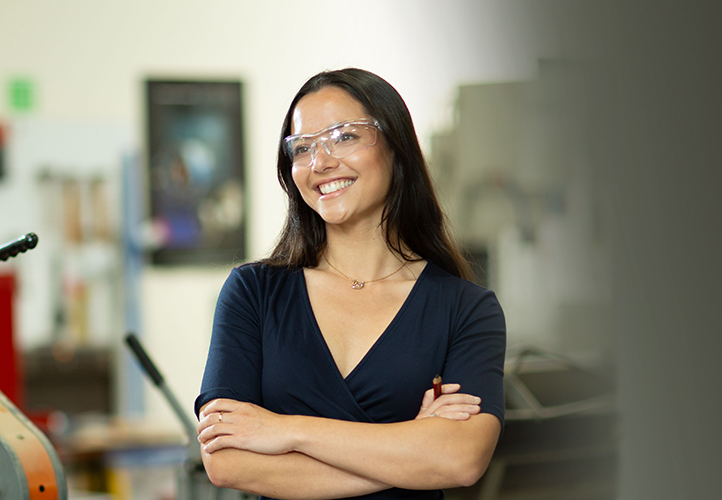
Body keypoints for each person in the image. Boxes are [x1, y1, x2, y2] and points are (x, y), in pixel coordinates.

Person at [194, 68, 506, 500]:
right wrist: (413, 450)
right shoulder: (253, 293)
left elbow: (460, 460)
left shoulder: (466, 308)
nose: (320, 162)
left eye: (344, 136)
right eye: (303, 147)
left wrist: (285, 430)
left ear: (397, 147)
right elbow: (226, 461)